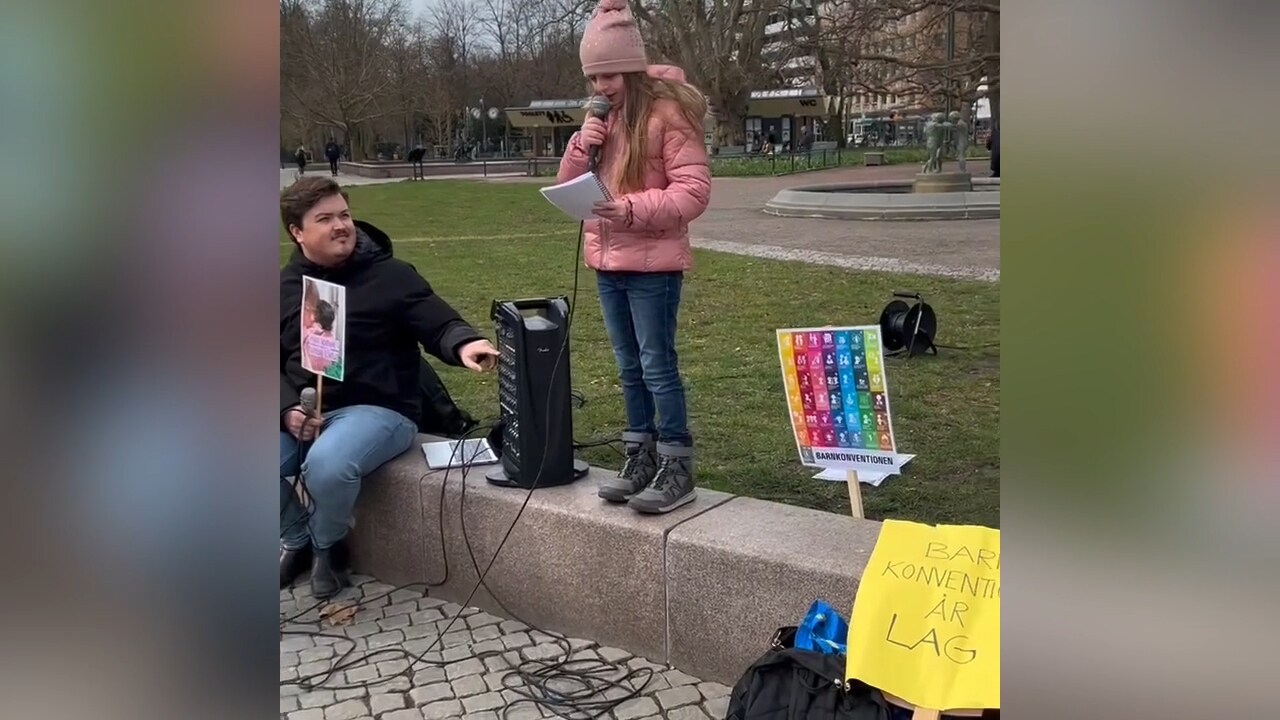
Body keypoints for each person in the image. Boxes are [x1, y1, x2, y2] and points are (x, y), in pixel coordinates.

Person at [279, 176, 500, 598]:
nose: (341, 225)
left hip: (378, 408)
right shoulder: (285, 288)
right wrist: (287, 409)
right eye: (324, 219)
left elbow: (435, 319)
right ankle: (297, 537)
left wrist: (465, 343)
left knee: (327, 464)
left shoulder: (390, 276)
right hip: (302, 410)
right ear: (297, 232)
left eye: (344, 215)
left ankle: (328, 545)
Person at [556, 0, 711, 514]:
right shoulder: (600, 119)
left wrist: (627, 209)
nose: (601, 88)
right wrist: (583, 145)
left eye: (610, 75)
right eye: (594, 78)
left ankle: (676, 464)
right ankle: (639, 454)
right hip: (607, 262)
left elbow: (693, 191)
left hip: (653, 264)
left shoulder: (669, 113)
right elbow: (569, 185)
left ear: (633, 67)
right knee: (628, 367)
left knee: (656, 366)